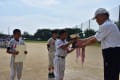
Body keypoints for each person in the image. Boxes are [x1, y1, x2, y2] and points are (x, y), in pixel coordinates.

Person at [79, 8, 120, 80]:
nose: (96, 20)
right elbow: (95, 36)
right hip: (114, 52)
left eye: (97, 18)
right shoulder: (109, 24)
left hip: (111, 53)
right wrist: (82, 40)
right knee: (113, 75)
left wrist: (83, 44)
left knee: (110, 76)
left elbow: (95, 39)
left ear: (104, 16)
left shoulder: (106, 25)